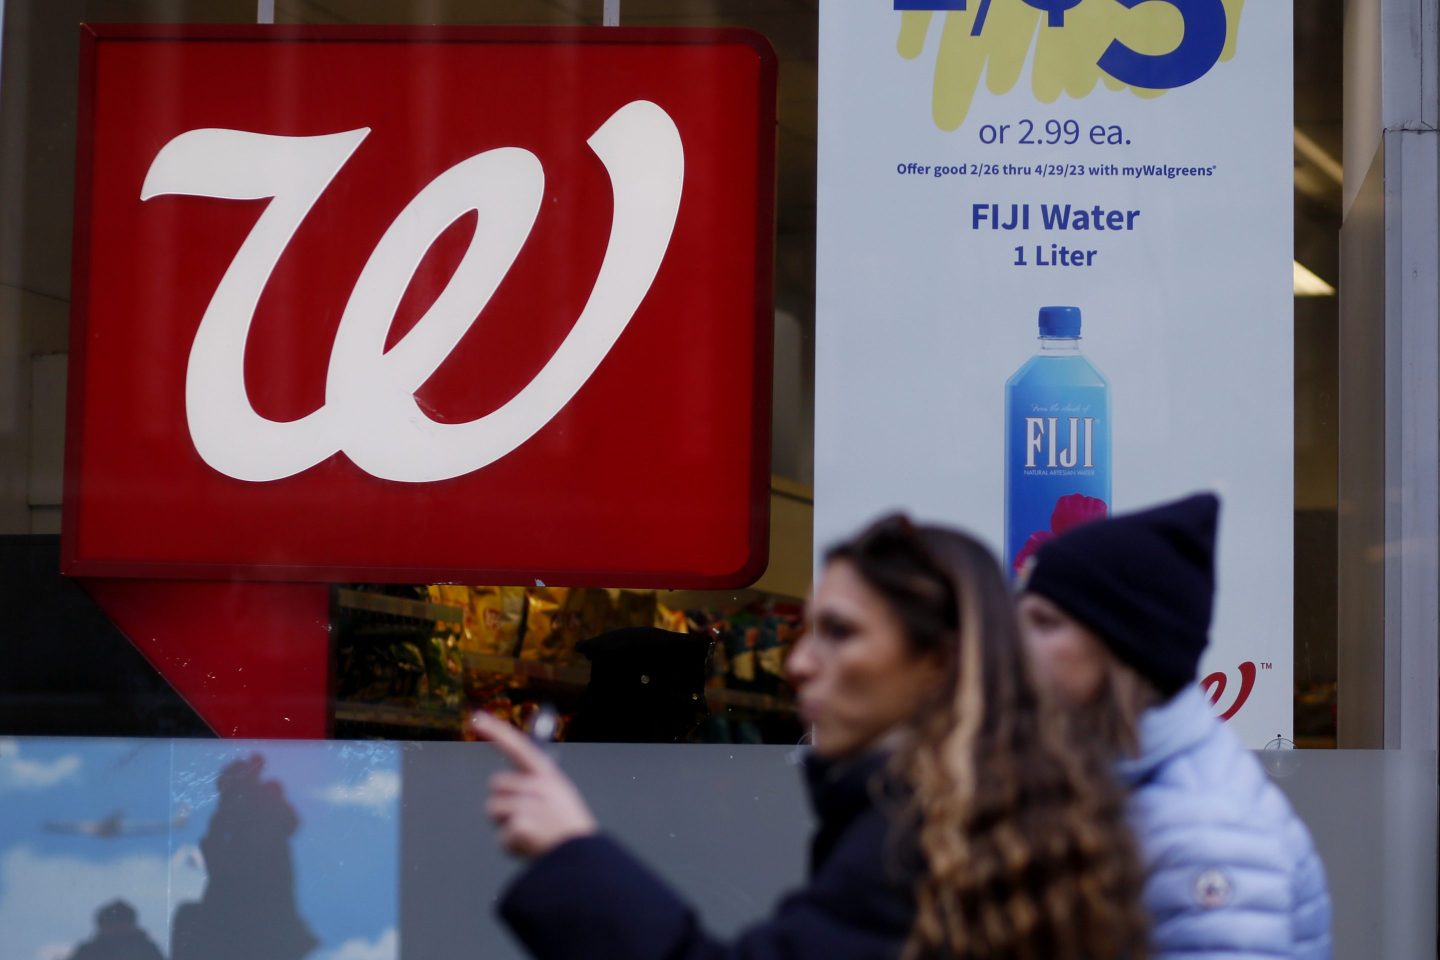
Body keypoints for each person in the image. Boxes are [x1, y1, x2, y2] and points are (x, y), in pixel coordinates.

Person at [474, 514, 1148, 960]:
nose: (798, 663)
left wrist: (573, 851)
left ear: (937, 662)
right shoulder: (1011, 808)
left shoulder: (920, 836)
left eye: (840, 633)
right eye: (805, 630)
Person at [1016, 492, 1333, 959]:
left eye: (1045, 623)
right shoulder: (1123, 776)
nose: (1017, 644)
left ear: (1120, 647)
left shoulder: (1205, 830)